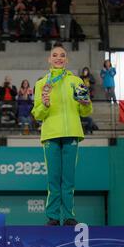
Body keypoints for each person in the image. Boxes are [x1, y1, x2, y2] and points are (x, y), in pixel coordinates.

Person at [32, 43, 93, 226]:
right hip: (51, 134)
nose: (58, 58)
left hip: (72, 133)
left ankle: (68, 216)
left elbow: (86, 111)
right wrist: (45, 104)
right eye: (55, 55)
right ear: (49, 59)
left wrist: (85, 102)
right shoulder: (41, 83)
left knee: (68, 179)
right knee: (54, 179)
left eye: (62, 55)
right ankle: (52, 216)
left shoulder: (76, 81)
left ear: (66, 59)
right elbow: (37, 114)